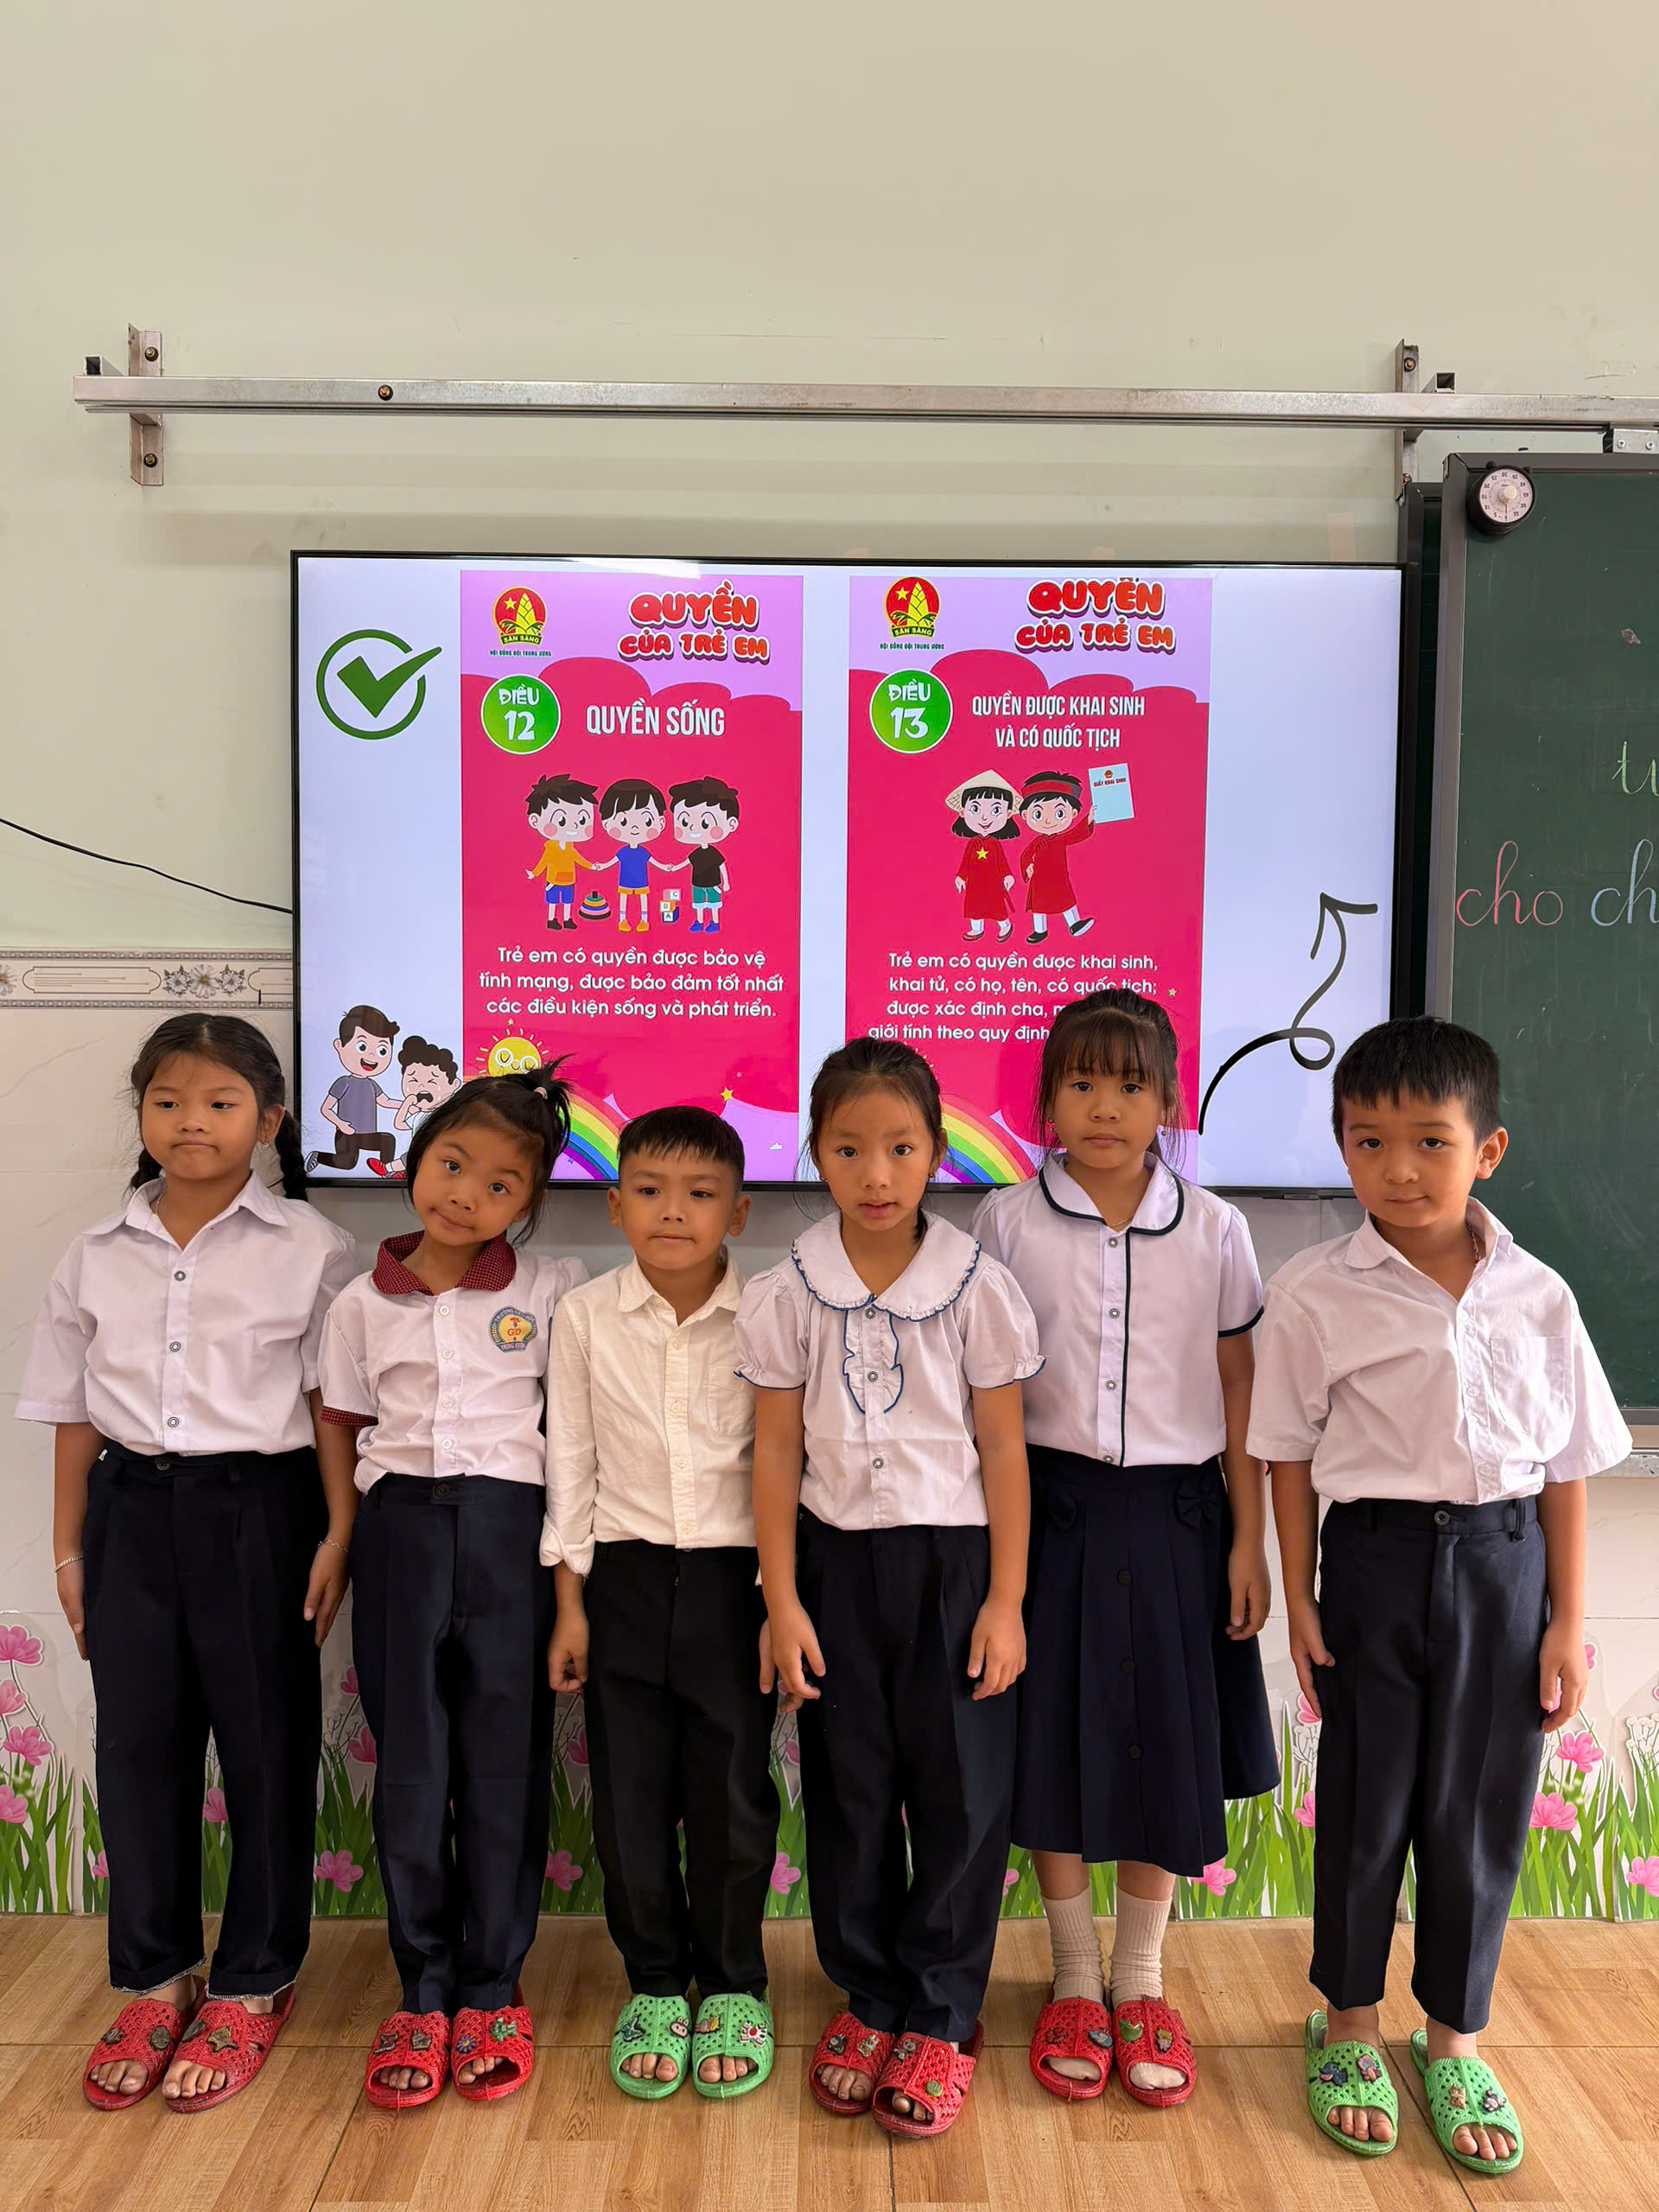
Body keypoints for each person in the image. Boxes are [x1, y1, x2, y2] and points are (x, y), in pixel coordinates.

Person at [1251, 1016, 1630, 2177]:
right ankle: (1350, 2023)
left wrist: (1569, 1620)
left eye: (1430, 1141)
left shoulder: (1539, 1295)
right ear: (1342, 1148)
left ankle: (1455, 2036)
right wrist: (1301, 1598)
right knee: (1365, 1807)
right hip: (1372, 1565)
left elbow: (1566, 1466)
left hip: (1506, 1570)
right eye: (1369, 1141)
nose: (1399, 1168)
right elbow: (1287, 1457)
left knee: (1480, 1815)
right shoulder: (1312, 1292)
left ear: (1488, 1151)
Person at [18, 1014, 358, 2113]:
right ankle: (156, 1974)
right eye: (167, 1102)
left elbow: (333, 1407)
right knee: (138, 1748)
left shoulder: (312, 1247)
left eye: (220, 1103)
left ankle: (256, 1978)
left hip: (261, 1510)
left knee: (264, 1745)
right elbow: (72, 1410)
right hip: (130, 1512)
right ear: (142, 1115)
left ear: (269, 1120)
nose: (191, 1122)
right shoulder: (95, 1253)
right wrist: (68, 1546)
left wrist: (337, 1533)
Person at [975, 988, 1276, 2108]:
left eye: (1131, 1085)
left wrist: (1250, 1540)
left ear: (1167, 1102)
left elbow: (1241, 1387)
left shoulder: (1216, 1228)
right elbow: (986, 1392)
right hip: (1045, 1512)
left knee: (1165, 1743)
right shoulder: (1005, 1220)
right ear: (1048, 1100)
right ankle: (1072, 1974)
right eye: (1083, 1083)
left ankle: (1140, 1979)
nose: (1106, 1107)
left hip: (1181, 1516)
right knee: (1050, 1736)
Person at [737, 1038, 1040, 2139]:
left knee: (961, 1794)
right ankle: (870, 1994)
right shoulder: (787, 1290)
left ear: (936, 1151)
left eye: (902, 1148)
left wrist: (1006, 1601)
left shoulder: (977, 1285)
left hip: (954, 1569)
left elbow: (1004, 1451)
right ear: (816, 1152)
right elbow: (775, 1453)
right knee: (851, 1789)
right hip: (833, 1570)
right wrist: (782, 1601)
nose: (876, 1173)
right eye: (850, 1148)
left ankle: (944, 2011)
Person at [318, 1067, 585, 2111]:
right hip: (399, 1535)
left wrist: (567, 1585)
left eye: (501, 1184)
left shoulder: (549, 1288)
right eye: (452, 1164)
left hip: (512, 1535)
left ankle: (492, 1984)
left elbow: (571, 1438)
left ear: (530, 1202)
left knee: (504, 1764)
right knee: (414, 1770)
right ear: (415, 1159)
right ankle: (422, 1986)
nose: (467, 1194)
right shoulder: (357, 1302)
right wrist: (340, 1538)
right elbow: (339, 1424)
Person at [545, 1105, 780, 2101]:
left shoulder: (770, 1311)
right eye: (648, 1190)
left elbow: (787, 1465)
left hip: (736, 1583)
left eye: (699, 1194)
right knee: (630, 1798)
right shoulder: (584, 1316)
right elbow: (570, 1464)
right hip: (624, 1578)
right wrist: (570, 1603)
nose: (672, 1211)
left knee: (732, 1794)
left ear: (738, 1212)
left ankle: (731, 1982)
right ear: (615, 1206)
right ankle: (652, 1981)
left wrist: (780, 1602)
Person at [306, 1002, 400, 1173]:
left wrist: (407, 1104)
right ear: (339, 1046)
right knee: (348, 1163)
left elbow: (386, 1102)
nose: (371, 1055)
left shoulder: (372, 1084)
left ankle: (387, 1171)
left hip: (366, 1134)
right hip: (346, 1132)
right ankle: (318, 1156)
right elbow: (326, 1109)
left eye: (382, 1050)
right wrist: (341, 1124)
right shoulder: (344, 1083)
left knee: (387, 1140)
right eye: (362, 1046)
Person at [598, 777, 685, 933]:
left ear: (661, 823)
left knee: (643, 899)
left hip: (641, 881)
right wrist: (601, 866)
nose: (634, 828)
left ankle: (644, 920)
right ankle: (623, 920)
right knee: (624, 899)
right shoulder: (622, 852)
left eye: (647, 821)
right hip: (625, 881)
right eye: (623, 821)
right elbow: (611, 862)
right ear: (606, 824)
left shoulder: (643, 852)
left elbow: (654, 862)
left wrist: (665, 867)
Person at [1016, 770, 1094, 942]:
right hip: (1040, 879)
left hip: (1059, 878)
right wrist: (1028, 866)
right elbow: (1026, 854)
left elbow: (1076, 834)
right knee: (1038, 906)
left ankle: (1075, 924)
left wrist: (1089, 818)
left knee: (1066, 900)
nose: (1048, 821)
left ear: (1073, 813)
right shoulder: (1038, 841)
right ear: (1025, 815)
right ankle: (1039, 931)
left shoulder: (1062, 838)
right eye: (1038, 814)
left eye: (1059, 813)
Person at [946, 770, 1019, 943]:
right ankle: (976, 928)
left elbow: (1002, 862)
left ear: (1008, 814)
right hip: (974, 882)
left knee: (997, 906)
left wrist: (1008, 875)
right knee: (974, 905)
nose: (985, 817)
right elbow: (965, 862)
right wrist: (960, 876)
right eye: (975, 809)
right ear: (963, 812)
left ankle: (1005, 925)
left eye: (996, 810)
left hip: (994, 881)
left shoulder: (995, 843)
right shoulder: (972, 843)